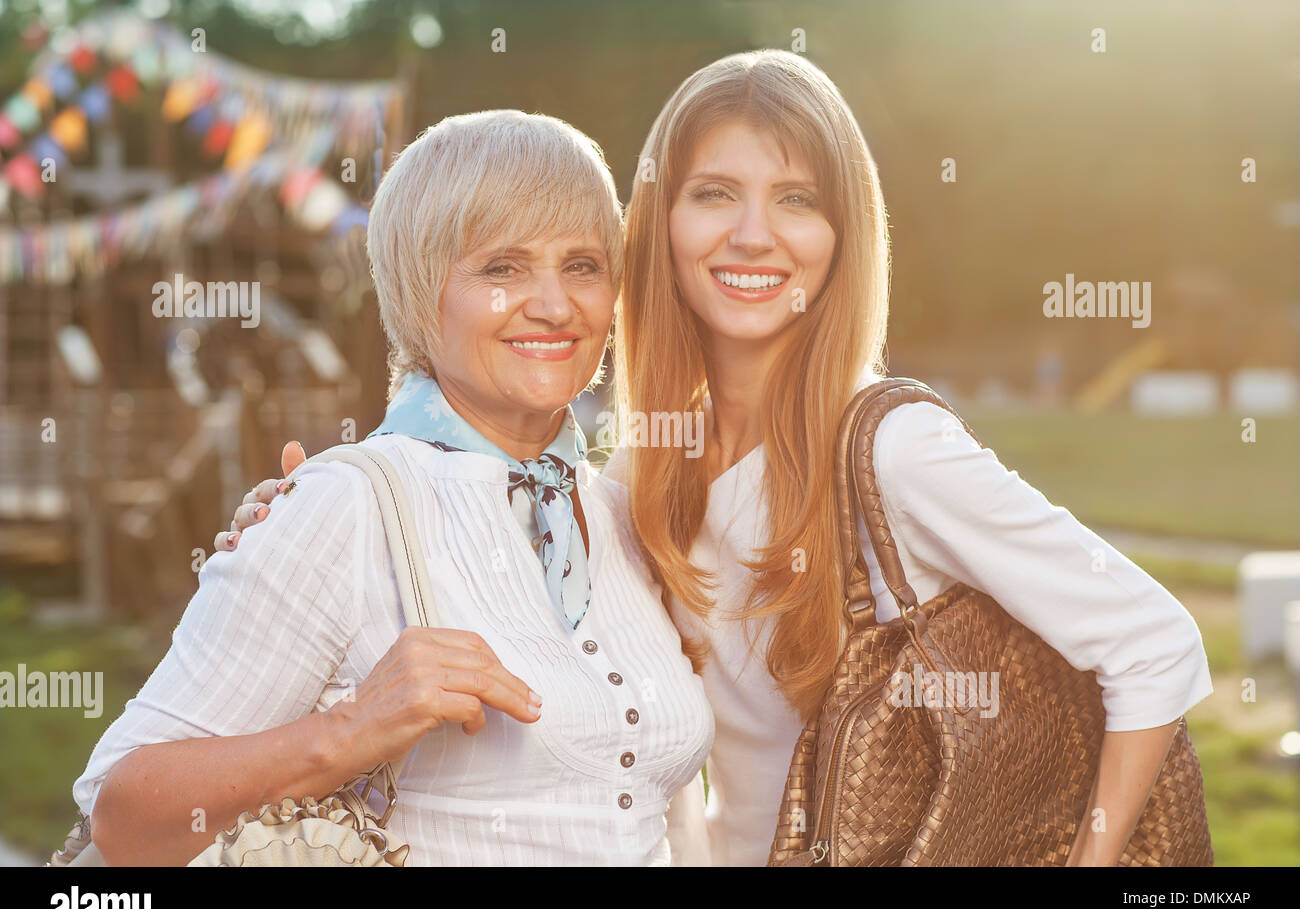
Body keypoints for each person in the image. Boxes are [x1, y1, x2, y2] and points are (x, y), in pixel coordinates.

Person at [226, 51, 1214, 867]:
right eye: (714, 194)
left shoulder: (891, 447)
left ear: (841, 234)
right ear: (660, 223)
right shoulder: (639, 480)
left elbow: (1153, 642)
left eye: (796, 198)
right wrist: (311, 511)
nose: (753, 234)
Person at [72, 109, 714, 867]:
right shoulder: (343, 506)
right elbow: (122, 816)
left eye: (583, 264)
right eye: (502, 267)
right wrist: (348, 730)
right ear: (420, 292)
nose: (553, 303)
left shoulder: (623, 515)